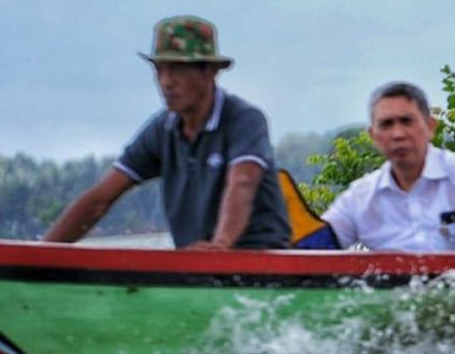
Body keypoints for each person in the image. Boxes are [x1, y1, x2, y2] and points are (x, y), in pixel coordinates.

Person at [44, 16, 290, 250]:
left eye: (177, 70)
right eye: (159, 70)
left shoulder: (243, 119)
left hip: (258, 261)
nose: (166, 81)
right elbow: (100, 199)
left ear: (209, 72)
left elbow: (243, 182)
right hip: (197, 264)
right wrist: (40, 254)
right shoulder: (162, 130)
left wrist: (221, 246)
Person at [322, 81, 455, 263]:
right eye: (386, 124)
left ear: (430, 127)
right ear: (373, 136)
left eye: (407, 121)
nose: (398, 134)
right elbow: (318, 243)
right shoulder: (360, 197)